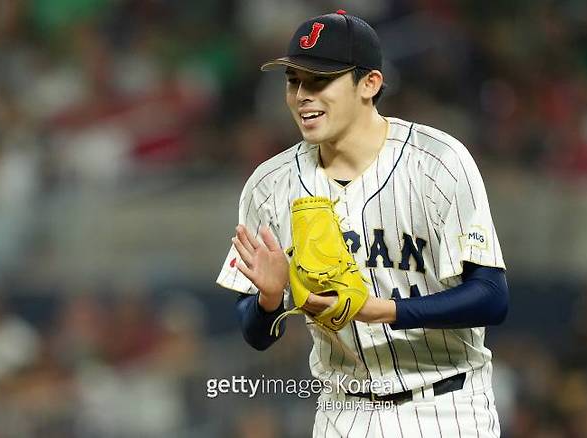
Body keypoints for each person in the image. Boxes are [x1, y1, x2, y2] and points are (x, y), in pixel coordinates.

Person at [216, 9, 508, 438]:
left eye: (320, 81)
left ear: (369, 83)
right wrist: (269, 299)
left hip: (446, 405)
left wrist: (380, 311)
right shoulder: (269, 185)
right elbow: (256, 334)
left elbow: (491, 297)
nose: (302, 95)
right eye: (294, 81)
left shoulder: (438, 163)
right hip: (342, 412)